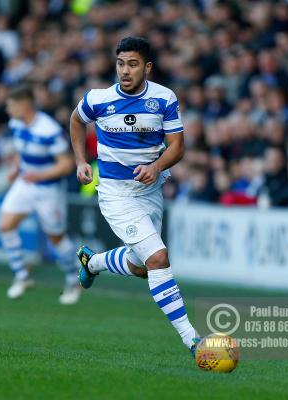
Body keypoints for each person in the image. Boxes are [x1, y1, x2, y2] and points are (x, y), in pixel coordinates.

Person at [70, 37, 200, 354]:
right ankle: (193, 340)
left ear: (147, 67)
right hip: (116, 194)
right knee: (158, 258)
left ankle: (93, 262)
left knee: (144, 267)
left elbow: (178, 147)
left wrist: (156, 168)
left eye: (132, 64)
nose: (125, 71)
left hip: (150, 190)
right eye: (120, 64)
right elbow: (76, 120)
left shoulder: (164, 99)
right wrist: (80, 160)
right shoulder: (98, 99)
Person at [0, 85, 79, 305]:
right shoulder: (16, 124)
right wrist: (17, 167)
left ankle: (74, 279)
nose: (8, 109)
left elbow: (66, 165)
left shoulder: (48, 130)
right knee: (6, 225)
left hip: (48, 189)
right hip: (25, 182)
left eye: (11, 105)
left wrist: (40, 175)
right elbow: (22, 151)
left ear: (24, 105)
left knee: (56, 238)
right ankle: (22, 276)